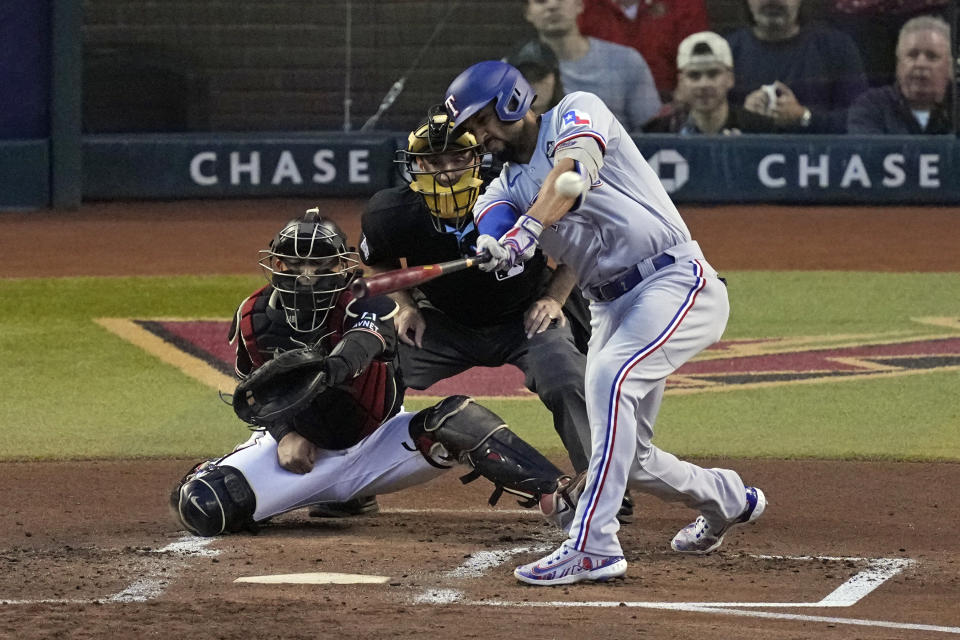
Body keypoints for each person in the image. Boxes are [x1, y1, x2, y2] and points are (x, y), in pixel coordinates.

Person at [443, 61, 766, 586]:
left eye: (483, 121)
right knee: (628, 457)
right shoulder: (498, 189)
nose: (480, 137)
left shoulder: (577, 111)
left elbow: (571, 177)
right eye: (471, 130)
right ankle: (727, 498)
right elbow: (496, 218)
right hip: (610, 306)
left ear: (511, 102)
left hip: (674, 281)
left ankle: (593, 544)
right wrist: (495, 245)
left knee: (609, 378)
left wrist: (525, 233)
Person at [169, 209, 579, 536]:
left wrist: (329, 368)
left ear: (343, 267)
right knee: (203, 506)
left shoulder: (368, 300)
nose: (307, 275)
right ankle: (335, 495)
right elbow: (256, 395)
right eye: (294, 263)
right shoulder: (253, 317)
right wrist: (284, 434)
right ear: (274, 264)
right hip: (303, 455)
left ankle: (562, 496)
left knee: (456, 420)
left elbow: (364, 342)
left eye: (321, 264)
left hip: (378, 442)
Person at [360, 105, 598, 489]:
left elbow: (582, 243)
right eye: (433, 160)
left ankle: (604, 488)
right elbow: (380, 262)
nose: (447, 170)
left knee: (565, 376)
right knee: (371, 369)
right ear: (415, 165)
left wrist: (553, 299)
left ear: (477, 156)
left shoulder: (518, 188)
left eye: (458, 157)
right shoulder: (391, 212)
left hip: (526, 317)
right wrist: (405, 308)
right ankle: (352, 484)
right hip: (442, 322)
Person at [725, 0, 869, 133]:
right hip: (744, 157)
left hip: (818, 157)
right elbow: (708, 123)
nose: (773, 1)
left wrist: (804, 117)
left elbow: (861, 119)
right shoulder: (727, 52)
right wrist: (743, 117)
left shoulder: (837, 48)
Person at [523, 0, 662, 132]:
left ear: (580, 4)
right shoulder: (514, 71)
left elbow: (653, 132)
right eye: (541, 1)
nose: (552, 6)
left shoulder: (627, 61)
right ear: (527, 13)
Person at [643, 31, 779, 134]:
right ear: (681, 82)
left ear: (730, 79)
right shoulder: (659, 132)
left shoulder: (759, 130)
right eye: (694, 76)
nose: (704, 84)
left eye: (713, 74)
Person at [577, 0, 710, 99]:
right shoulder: (582, 6)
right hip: (603, 103)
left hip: (669, 106)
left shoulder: (684, 4)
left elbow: (697, 58)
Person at [847, 15, 954, 134]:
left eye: (932, 56)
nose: (921, 64)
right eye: (912, 55)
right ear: (898, 64)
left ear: (950, 67)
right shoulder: (870, 107)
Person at [506, 40, 566, 116]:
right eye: (524, 77)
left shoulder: (571, 122)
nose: (533, 85)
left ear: (555, 80)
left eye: (540, 76)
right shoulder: (495, 122)